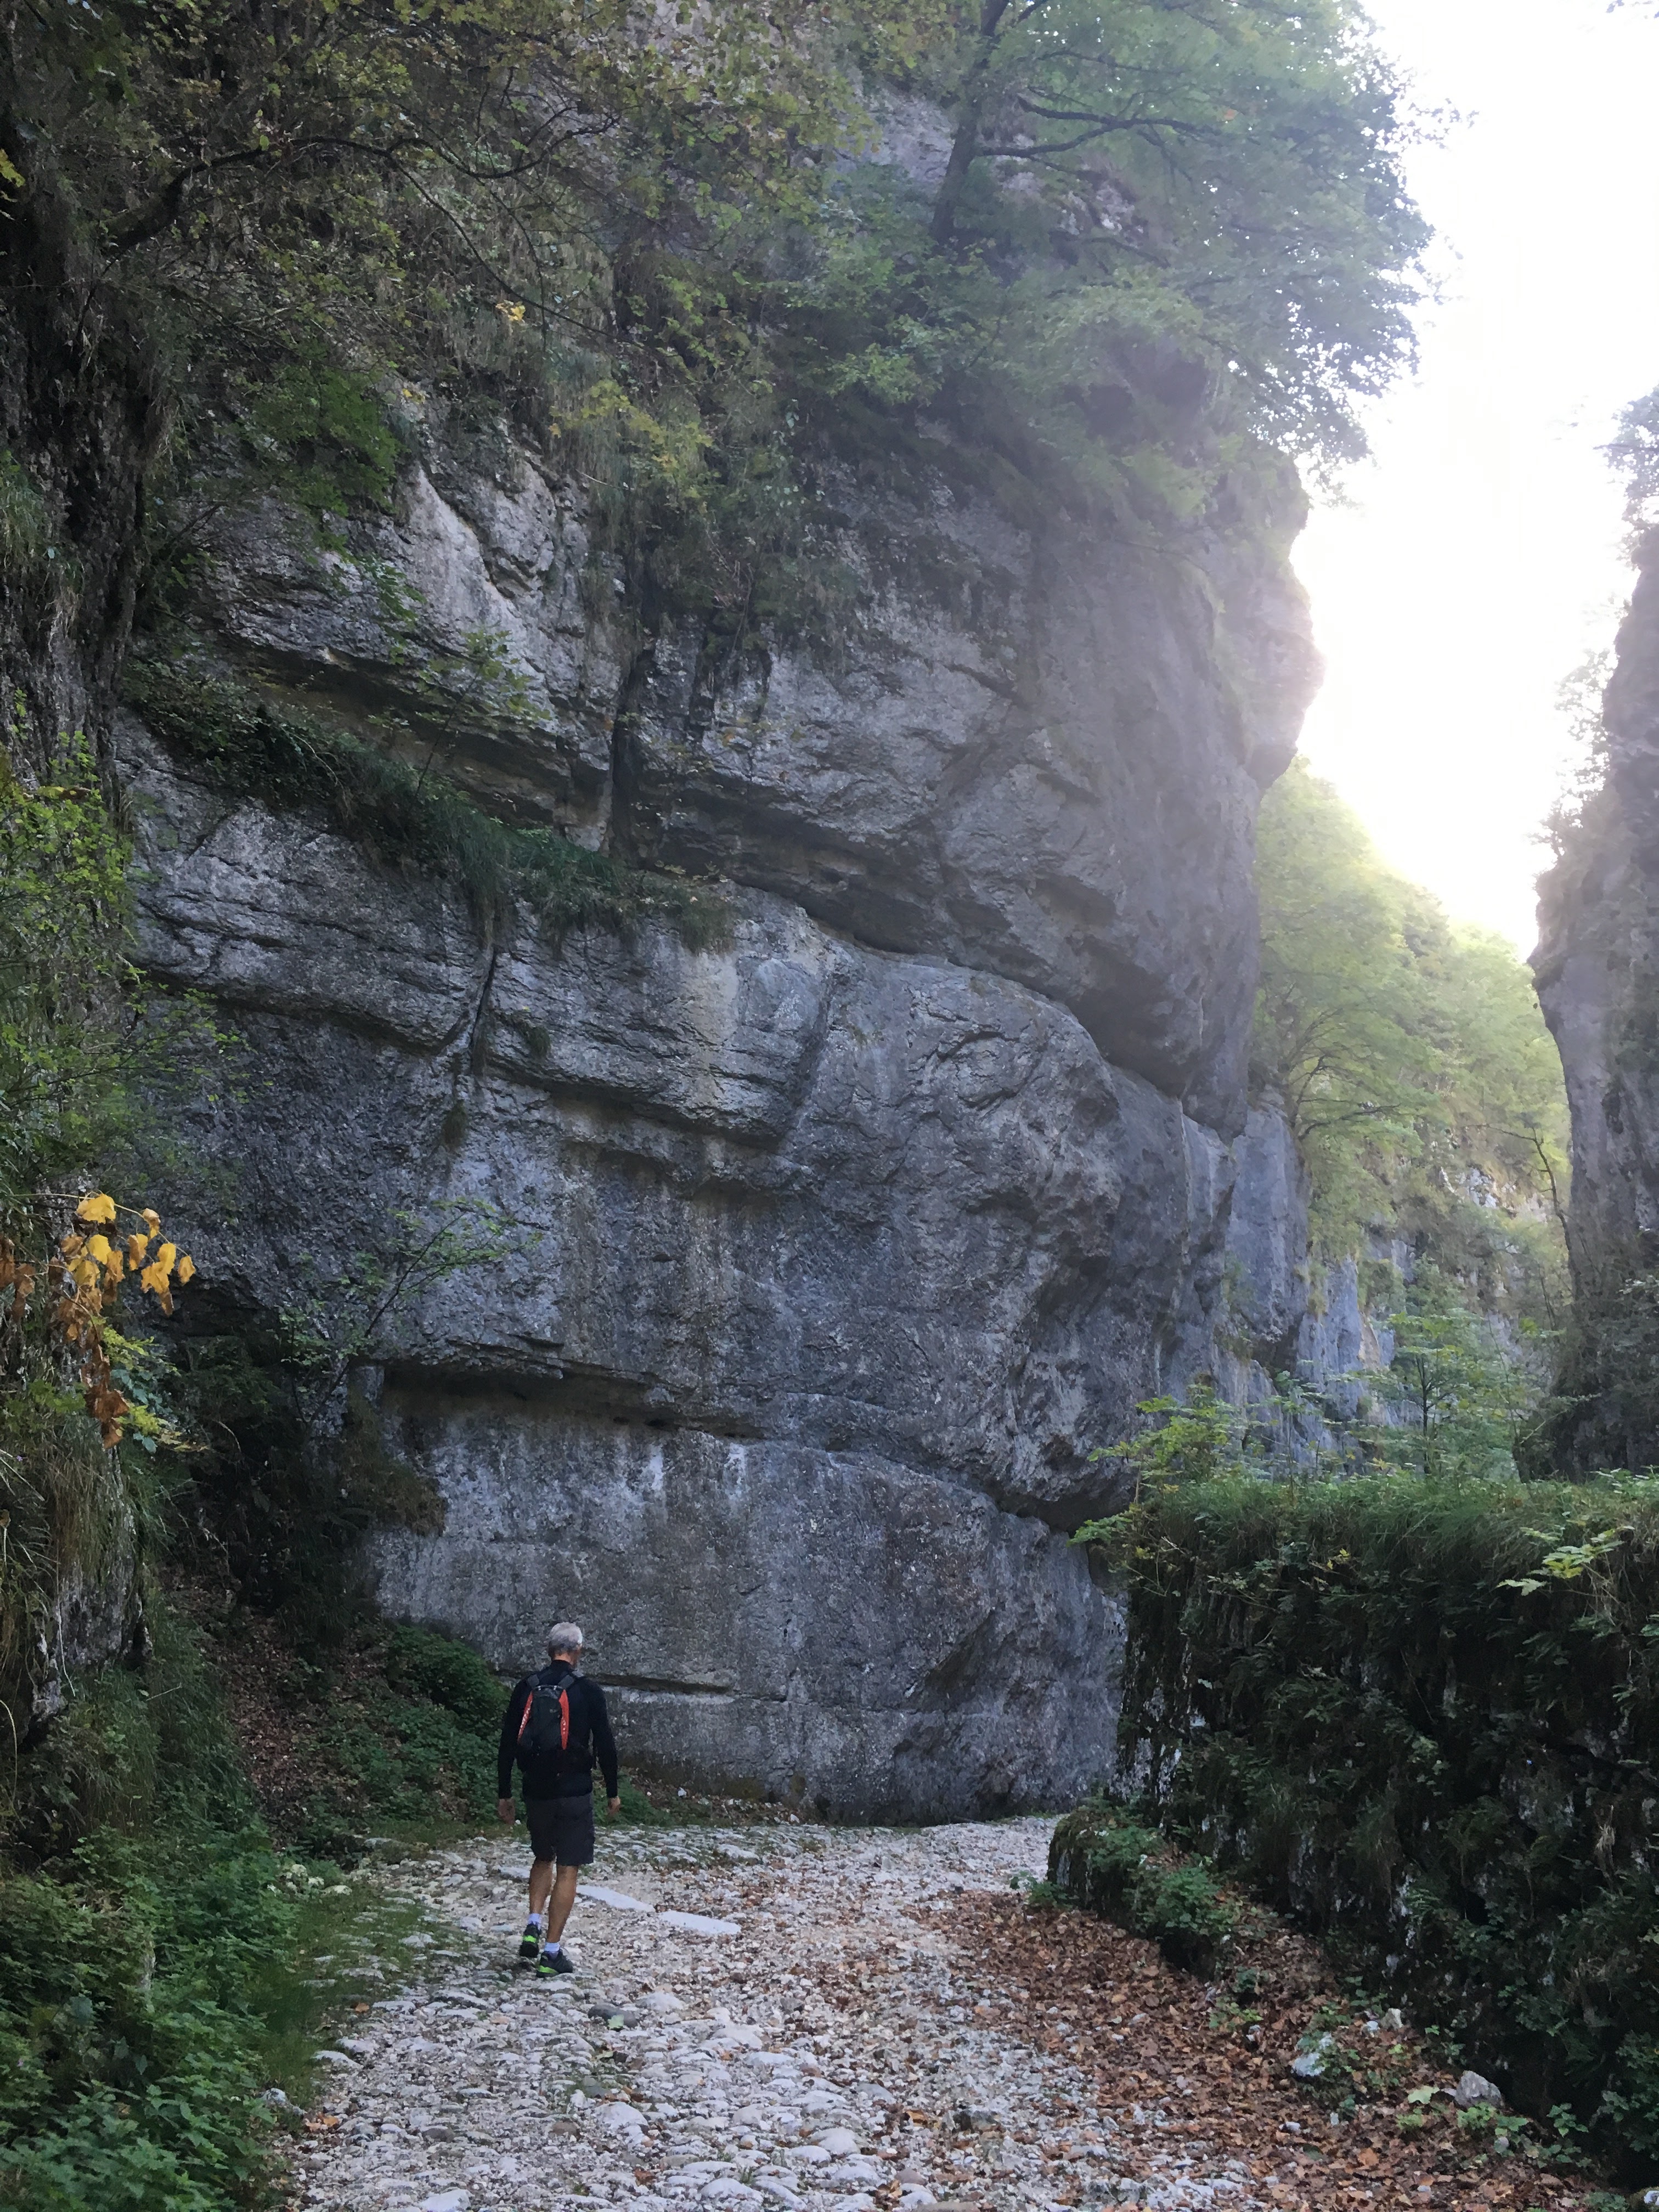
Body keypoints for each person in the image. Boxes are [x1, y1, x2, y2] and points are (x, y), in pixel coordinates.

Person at [496, 1623, 621, 1977]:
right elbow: (605, 1744)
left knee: (542, 1856)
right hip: (574, 1791)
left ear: (548, 1649)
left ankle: (533, 1923)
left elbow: (507, 1742)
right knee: (568, 1868)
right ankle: (551, 1954)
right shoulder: (588, 1691)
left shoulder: (527, 1687)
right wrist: (613, 1791)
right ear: (578, 1651)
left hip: (536, 1790)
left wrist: (504, 1792)